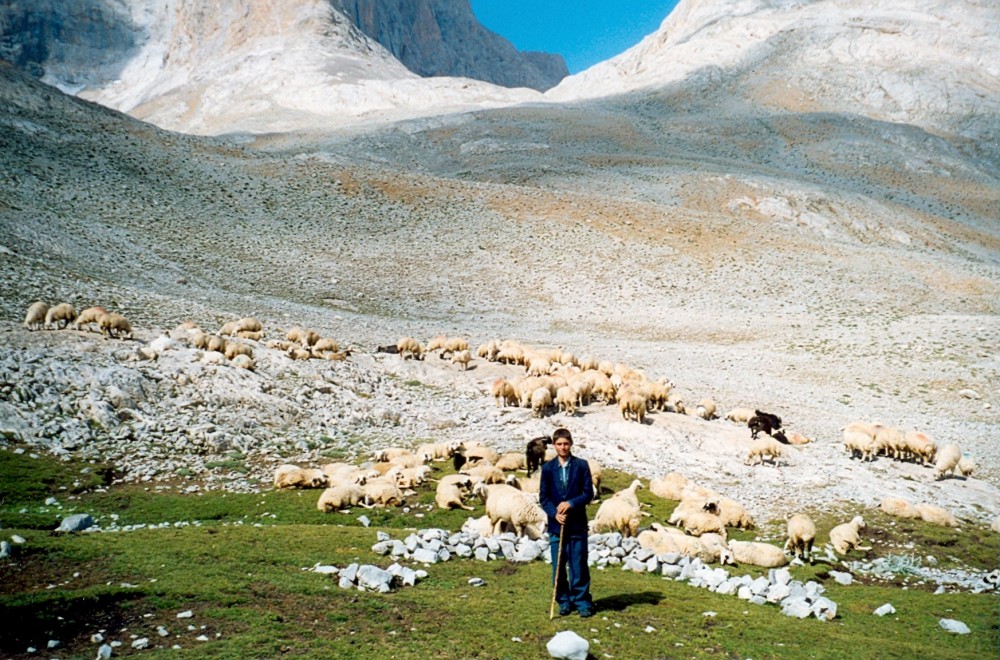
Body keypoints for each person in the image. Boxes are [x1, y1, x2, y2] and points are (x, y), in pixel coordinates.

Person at [539, 427, 594, 617]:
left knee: (579, 565)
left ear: (571, 444)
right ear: (554, 445)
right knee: (559, 566)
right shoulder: (547, 468)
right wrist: (555, 513)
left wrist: (570, 503)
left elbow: (588, 493)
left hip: (577, 524)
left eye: (566, 444)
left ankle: (582, 601)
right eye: (559, 444)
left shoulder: (581, 465)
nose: (562, 447)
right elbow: (544, 497)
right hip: (557, 526)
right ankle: (563, 600)